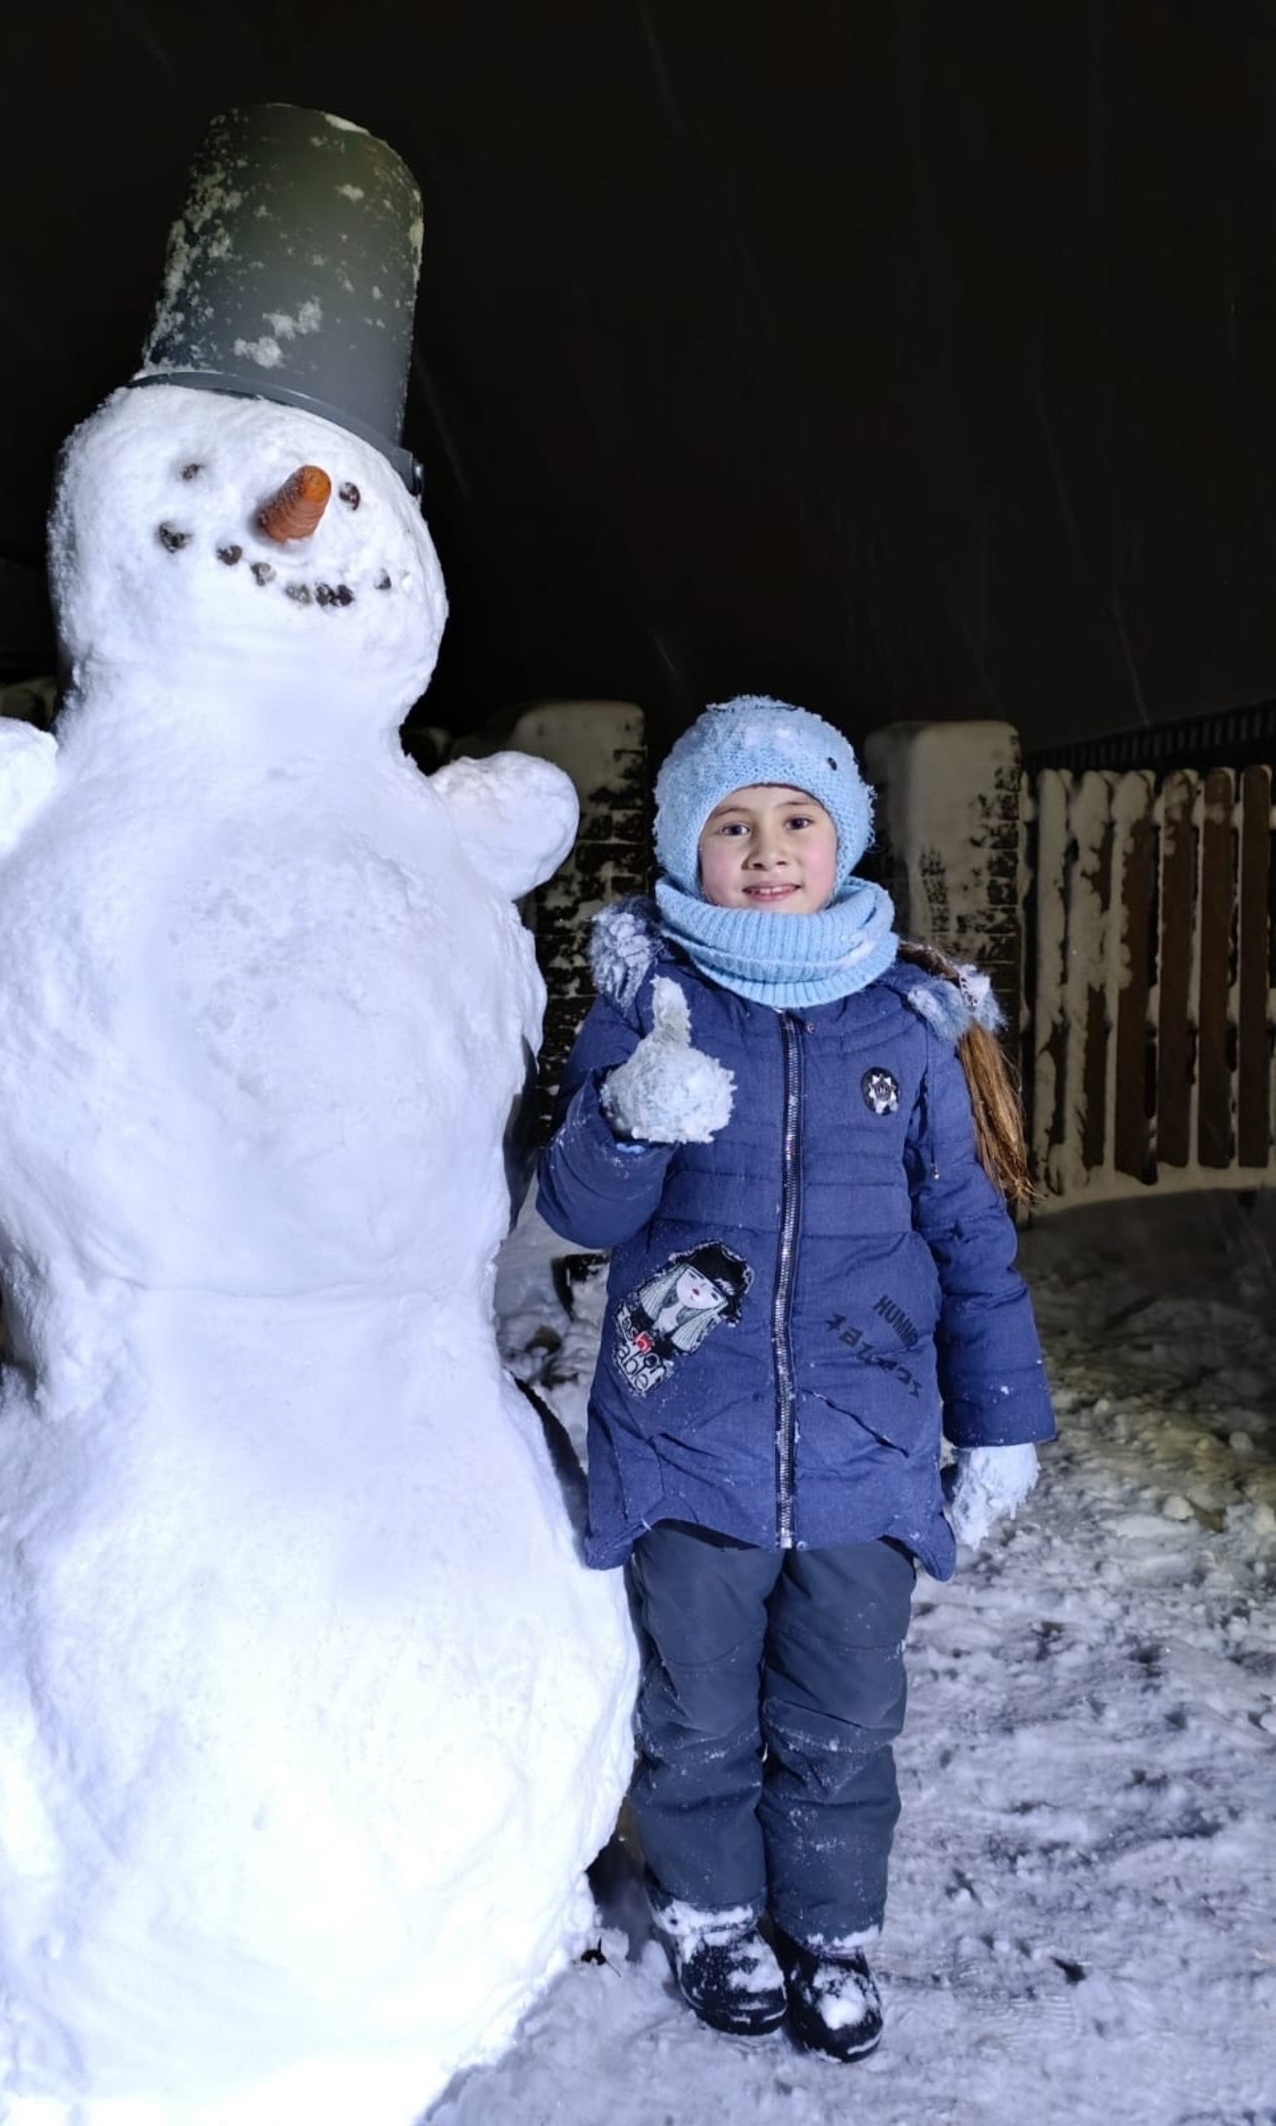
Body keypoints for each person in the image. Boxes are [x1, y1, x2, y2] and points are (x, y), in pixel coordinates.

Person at [536, 696, 1056, 2062]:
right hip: (689, 1439)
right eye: (732, 825)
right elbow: (580, 1207)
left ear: (848, 839)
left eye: (797, 820)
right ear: (684, 848)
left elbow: (971, 1240)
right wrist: (631, 1116)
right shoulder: (654, 1003)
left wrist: (999, 1422)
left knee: (843, 1713)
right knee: (697, 1708)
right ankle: (710, 1908)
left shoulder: (905, 1025)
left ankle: (829, 1925)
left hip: (866, 1450)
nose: (767, 851)